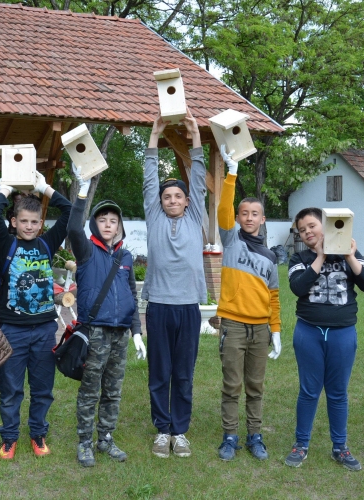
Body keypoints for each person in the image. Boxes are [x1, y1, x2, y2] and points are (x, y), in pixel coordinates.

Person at [284, 207, 364, 470]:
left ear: (325, 226)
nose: (308, 232)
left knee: (338, 393)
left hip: (342, 333)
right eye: (302, 230)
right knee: (309, 391)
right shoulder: (299, 258)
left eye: (312, 226)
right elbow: (298, 287)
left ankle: (340, 447)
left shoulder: (350, 253)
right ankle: (301, 445)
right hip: (309, 332)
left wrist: (348, 255)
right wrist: (321, 256)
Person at [0, 171, 72, 460]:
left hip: (44, 330)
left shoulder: (47, 244)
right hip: (12, 330)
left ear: (41, 224)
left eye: (34, 222)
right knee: (10, 389)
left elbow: (70, 211)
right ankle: (9, 437)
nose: (29, 226)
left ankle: (38, 434)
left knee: (42, 389)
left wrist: (44, 187)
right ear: (14, 222)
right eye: (23, 221)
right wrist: (6, 191)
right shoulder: (7, 243)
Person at [67, 165, 143, 467]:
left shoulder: (125, 256)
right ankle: (85, 442)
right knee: (90, 390)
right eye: (102, 219)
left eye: (113, 220)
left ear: (120, 225)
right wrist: (83, 190)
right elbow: (73, 227)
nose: (108, 224)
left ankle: (106, 439)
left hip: (120, 334)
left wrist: (136, 331)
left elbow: (131, 297)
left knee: (113, 390)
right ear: (95, 225)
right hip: (95, 332)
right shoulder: (86, 251)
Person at [142, 109, 206, 458]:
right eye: (167, 197)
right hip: (159, 306)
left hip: (188, 306)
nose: (171, 200)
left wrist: (195, 137)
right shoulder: (154, 217)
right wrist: (154, 137)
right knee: (159, 372)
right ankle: (161, 429)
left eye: (177, 197)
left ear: (186, 202)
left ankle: (180, 431)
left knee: (183, 373)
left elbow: (197, 180)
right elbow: (150, 180)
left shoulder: (195, 216)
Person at [214, 146, 281, 462]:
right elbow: (223, 209)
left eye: (255, 214)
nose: (249, 218)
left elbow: (274, 297)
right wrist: (232, 173)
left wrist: (276, 331)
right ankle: (230, 436)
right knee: (232, 385)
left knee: (255, 387)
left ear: (262, 219)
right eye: (244, 214)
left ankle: (255, 436)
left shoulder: (270, 257)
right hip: (233, 325)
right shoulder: (231, 240)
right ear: (238, 218)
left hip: (260, 329)